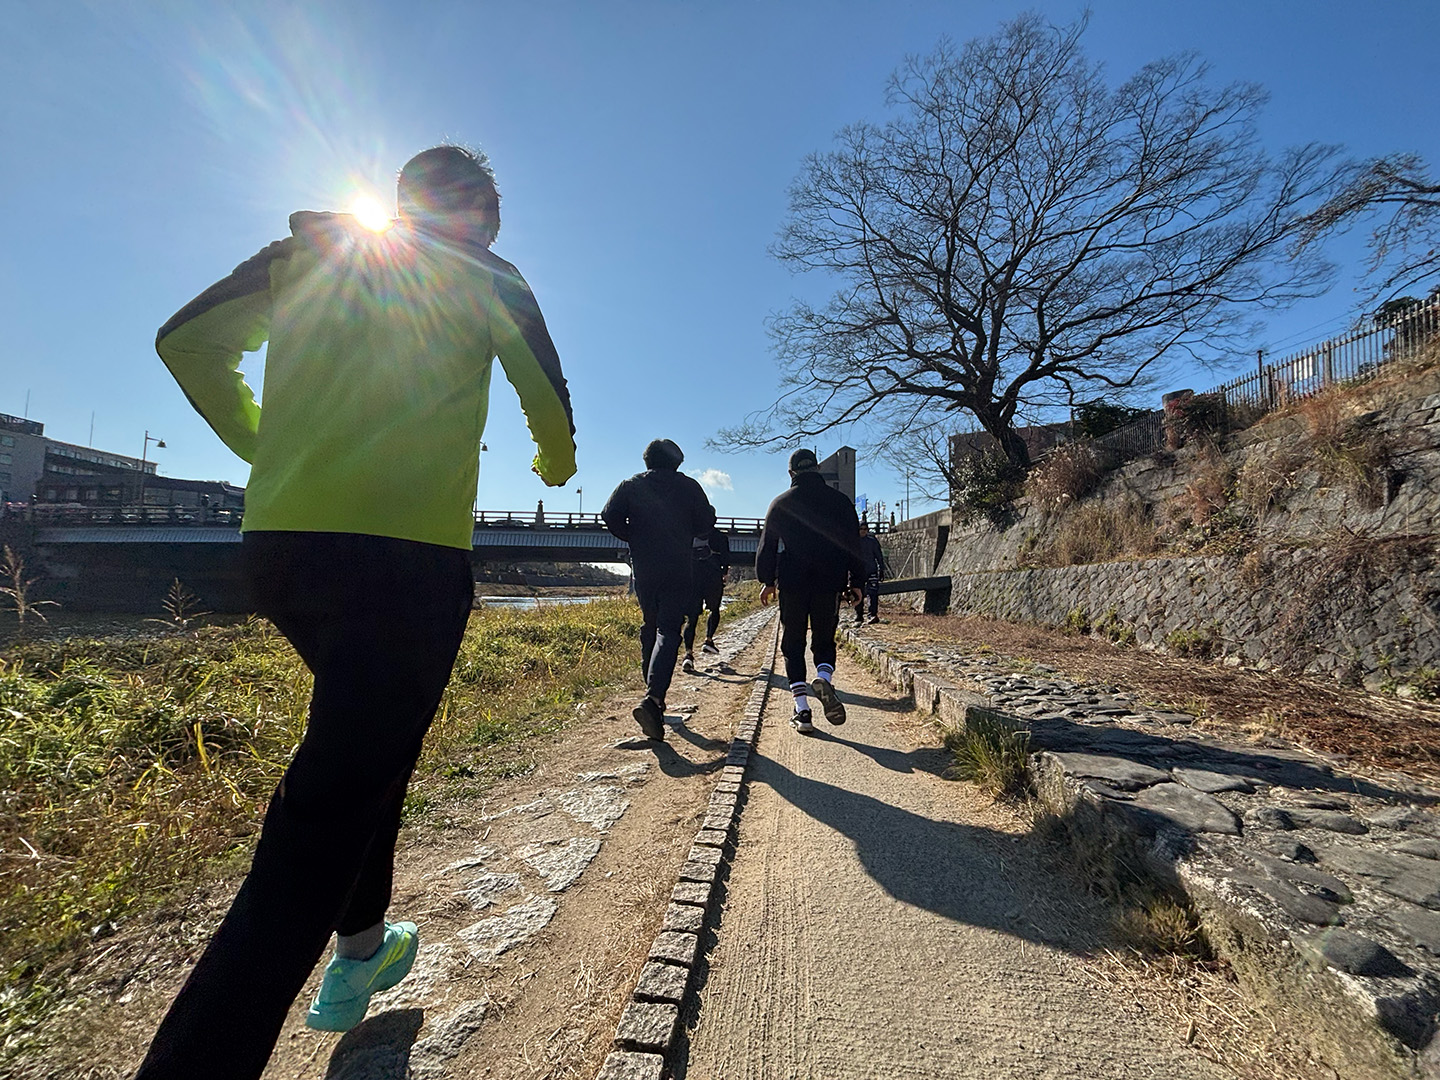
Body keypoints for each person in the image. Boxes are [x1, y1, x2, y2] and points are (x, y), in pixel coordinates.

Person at [137, 144, 576, 1080]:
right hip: (405, 563)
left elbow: (186, 342)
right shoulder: (491, 277)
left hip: (283, 553)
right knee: (326, 806)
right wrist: (554, 466)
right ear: (484, 216)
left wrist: (265, 444)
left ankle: (361, 948)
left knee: (366, 742)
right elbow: (548, 398)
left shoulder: (305, 253)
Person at [601, 440, 716, 740]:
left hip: (644, 567)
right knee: (668, 629)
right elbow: (706, 523)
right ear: (677, 462)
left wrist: (633, 535)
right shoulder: (689, 486)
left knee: (649, 624)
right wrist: (687, 530)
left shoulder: (630, 485)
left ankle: (653, 698)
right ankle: (653, 699)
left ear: (647, 460)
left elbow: (609, 515)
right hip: (678, 565)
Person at [756, 449, 864, 734]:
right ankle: (824, 678)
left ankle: (802, 711)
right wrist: (857, 581)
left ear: (791, 473)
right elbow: (853, 544)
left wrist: (767, 580)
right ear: (816, 469)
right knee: (824, 638)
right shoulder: (840, 502)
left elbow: (767, 546)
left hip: (792, 583)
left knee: (792, 644)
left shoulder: (781, 503)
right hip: (829, 581)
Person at [681, 523, 731, 672]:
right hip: (713, 579)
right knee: (714, 610)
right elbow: (726, 560)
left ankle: (688, 654)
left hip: (693, 579)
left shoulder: (688, 535)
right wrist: (724, 573)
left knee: (691, 618)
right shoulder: (720, 537)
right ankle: (708, 640)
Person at [855, 520, 888, 625]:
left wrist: (881, 568)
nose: (863, 531)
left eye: (865, 529)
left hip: (871, 570)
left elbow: (878, 555)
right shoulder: (853, 541)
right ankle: (859, 615)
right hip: (857, 571)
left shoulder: (872, 541)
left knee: (872, 593)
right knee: (857, 594)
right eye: (861, 529)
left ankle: (872, 614)